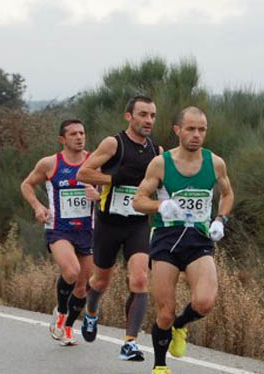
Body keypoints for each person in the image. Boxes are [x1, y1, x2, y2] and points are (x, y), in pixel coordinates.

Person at [132, 106, 234, 374]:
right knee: (165, 311)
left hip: (199, 240)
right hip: (166, 240)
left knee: (205, 302)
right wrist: (160, 207)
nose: (196, 135)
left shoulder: (215, 163)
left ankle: (181, 325)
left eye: (202, 129)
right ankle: (160, 366)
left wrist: (220, 220)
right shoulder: (161, 163)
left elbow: (227, 194)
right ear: (178, 130)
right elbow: (138, 200)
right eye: (190, 129)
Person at [77, 95, 161, 361]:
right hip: (108, 224)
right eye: (143, 114)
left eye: (152, 116)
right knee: (101, 280)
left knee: (139, 279)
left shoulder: (157, 151)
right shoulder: (114, 143)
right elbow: (83, 173)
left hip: (137, 223)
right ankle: (91, 311)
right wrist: (113, 178)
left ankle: (130, 342)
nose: (148, 120)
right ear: (129, 116)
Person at [21, 119, 98, 346]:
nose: (79, 137)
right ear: (62, 140)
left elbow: (109, 188)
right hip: (59, 229)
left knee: (84, 285)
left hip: (87, 229)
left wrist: (99, 194)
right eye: (73, 134)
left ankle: (67, 327)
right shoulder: (50, 163)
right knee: (72, 272)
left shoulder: (94, 162)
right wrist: (37, 206)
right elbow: (26, 185)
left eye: (82, 133)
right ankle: (62, 311)